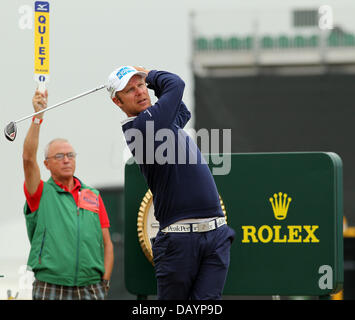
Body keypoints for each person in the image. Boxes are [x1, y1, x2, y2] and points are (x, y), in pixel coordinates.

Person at [107, 66, 235, 300]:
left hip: (214, 233)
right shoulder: (141, 128)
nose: (140, 92)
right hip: (180, 240)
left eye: (141, 85)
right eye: (130, 90)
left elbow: (182, 110)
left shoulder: (162, 123)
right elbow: (176, 84)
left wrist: (151, 83)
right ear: (118, 101)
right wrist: (150, 74)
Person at [22, 89, 114, 300]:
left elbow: (107, 243)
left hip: (91, 288)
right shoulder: (40, 192)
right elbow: (28, 159)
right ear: (46, 164)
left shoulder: (93, 195)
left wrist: (104, 283)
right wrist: (38, 117)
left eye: (70, 155)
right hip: (51, 285)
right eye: (60, 156)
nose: (66, 160)